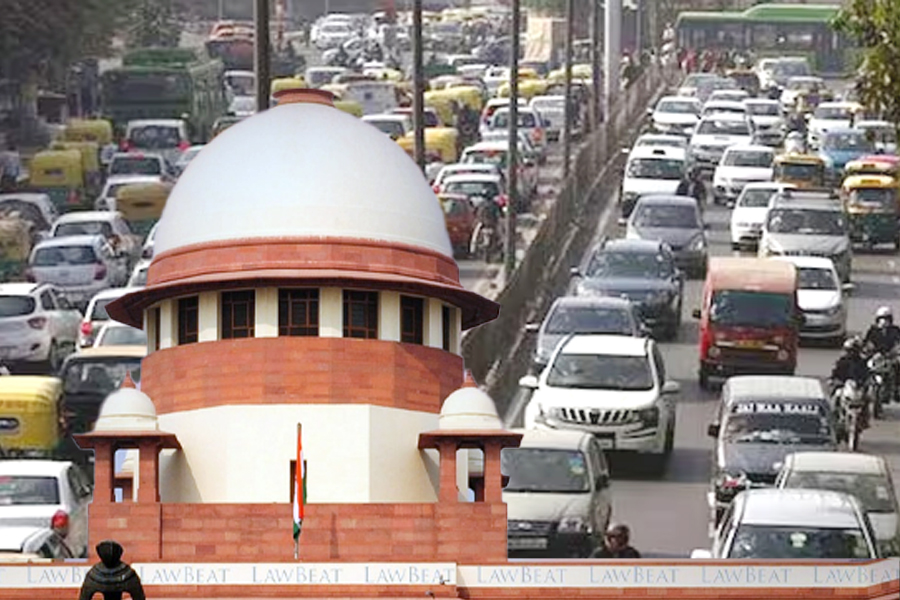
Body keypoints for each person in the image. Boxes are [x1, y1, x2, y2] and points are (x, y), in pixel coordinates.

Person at [864, 306, 900, 401]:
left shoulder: (895, 330)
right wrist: (868, 350)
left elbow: (898, 342)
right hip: (875, 356)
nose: (884, 321)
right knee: (864, 365)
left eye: (887, 318)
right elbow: (866, 342)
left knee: (898, 366)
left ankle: (897, 389)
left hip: (890, 356)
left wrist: (895, 351)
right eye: (882, 318)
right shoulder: (872, 330)